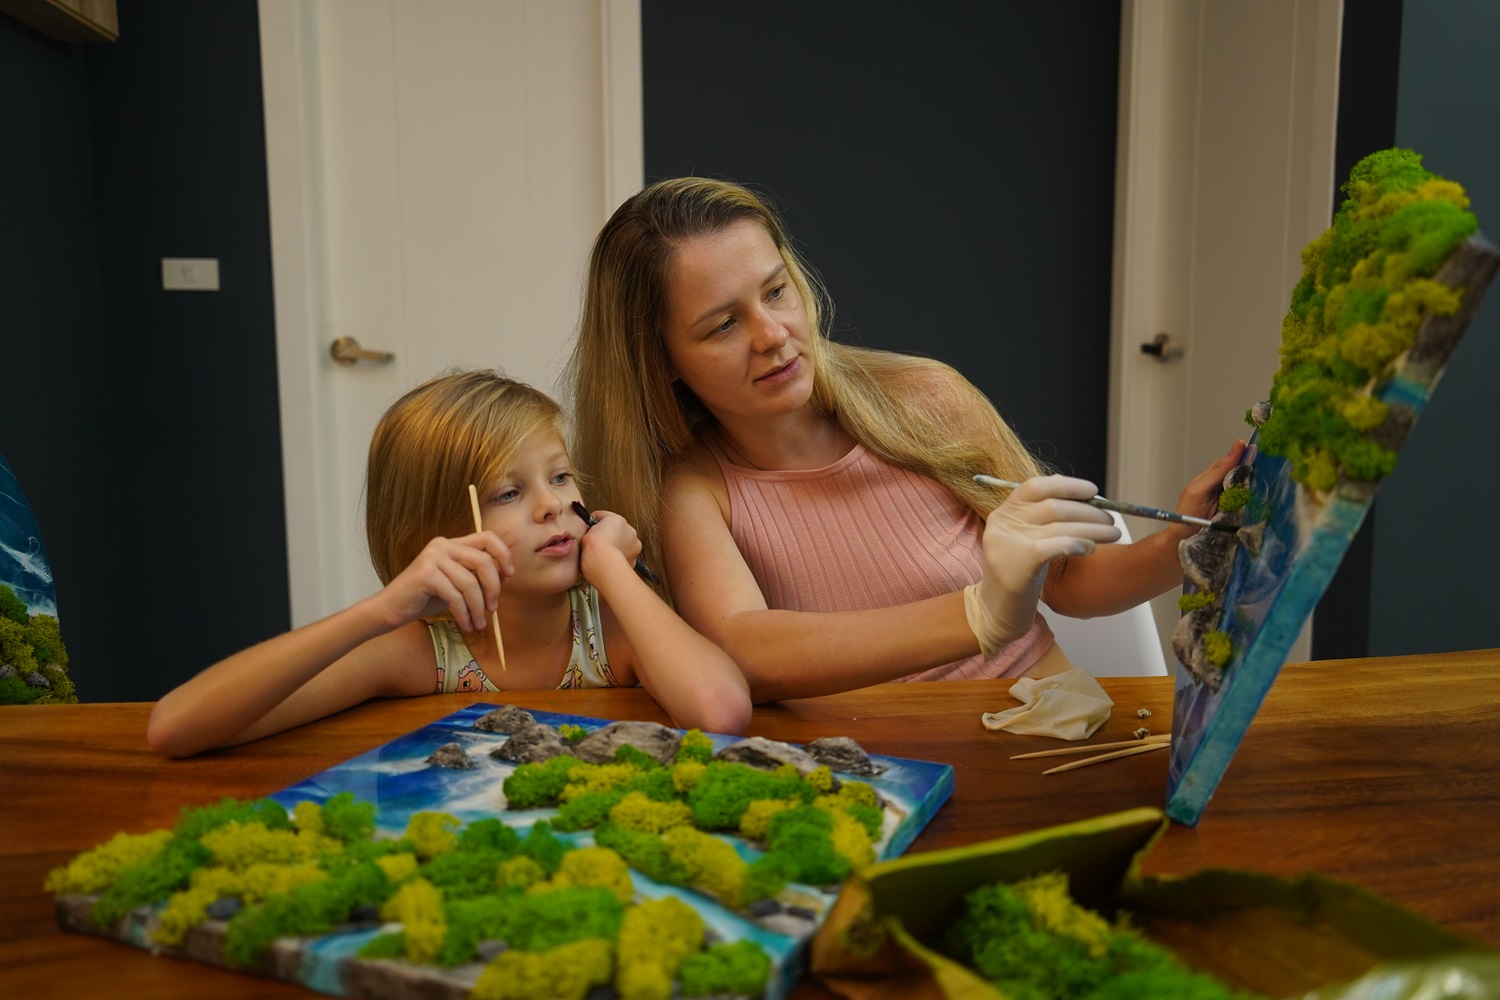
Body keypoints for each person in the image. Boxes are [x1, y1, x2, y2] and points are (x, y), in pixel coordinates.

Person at [565, 177, 1244, 702]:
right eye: (722, 325)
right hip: (879, 784)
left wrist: (1183, 546)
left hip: (1057, 731)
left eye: (775, 292)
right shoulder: (692, 489)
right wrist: (980, 614)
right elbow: (746, 653)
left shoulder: (928, 398)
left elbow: (1066, 583)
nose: (772, 335)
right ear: (659, 361)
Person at [147, 369, 752, 757]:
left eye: (560, 477)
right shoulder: (423, 651)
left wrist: (613, 569)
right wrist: (382, 611)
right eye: (507, 493)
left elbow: (720, 710)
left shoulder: (610, 626)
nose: (552, 506)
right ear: (432, 535)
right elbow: (175, 727)